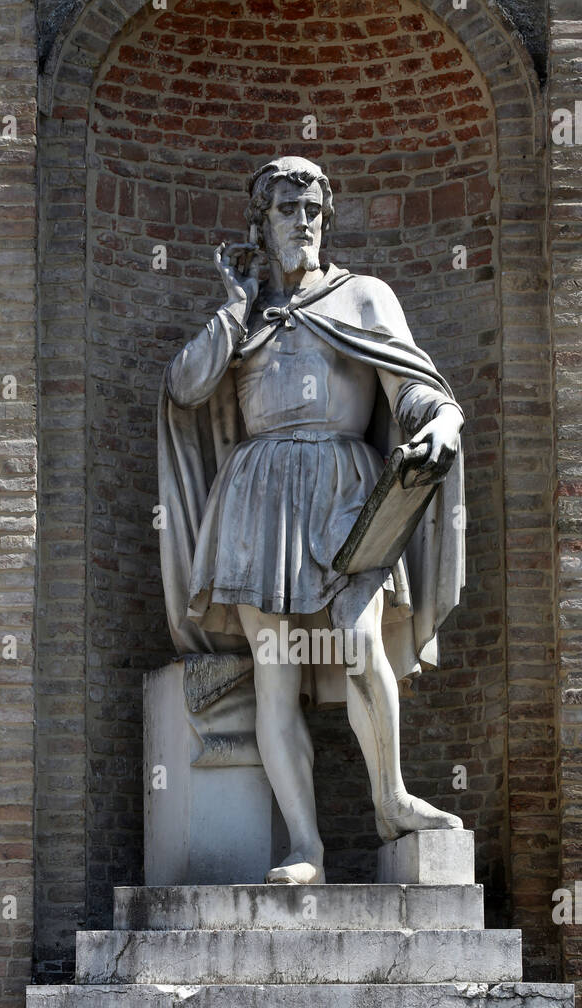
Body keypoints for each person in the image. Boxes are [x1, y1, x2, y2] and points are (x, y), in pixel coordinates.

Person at [159, 156, 466, 885]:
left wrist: (444, 419)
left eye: (314, 210)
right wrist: (234, 307)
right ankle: (305, 846)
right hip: (260, 493)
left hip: (347, 490)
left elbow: (414, 388)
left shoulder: (364, 298)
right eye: (288, 210)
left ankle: (390, 798)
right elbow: (184, 387)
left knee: (360, 643)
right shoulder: (247, 314)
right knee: (276, 674)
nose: (303, 222)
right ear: (260, 225)